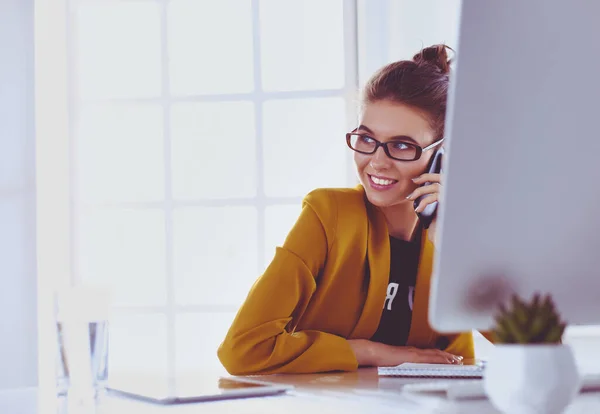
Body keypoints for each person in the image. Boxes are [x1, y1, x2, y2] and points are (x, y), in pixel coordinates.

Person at [218, 44, 492, 375]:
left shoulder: (446, 240)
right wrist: (370, 352)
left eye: (401, 145)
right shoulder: (329, 215)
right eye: (366, 139)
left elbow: (526, 344)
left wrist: (454, 251)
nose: (377, 161)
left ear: (443, 155)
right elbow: (242, 349)